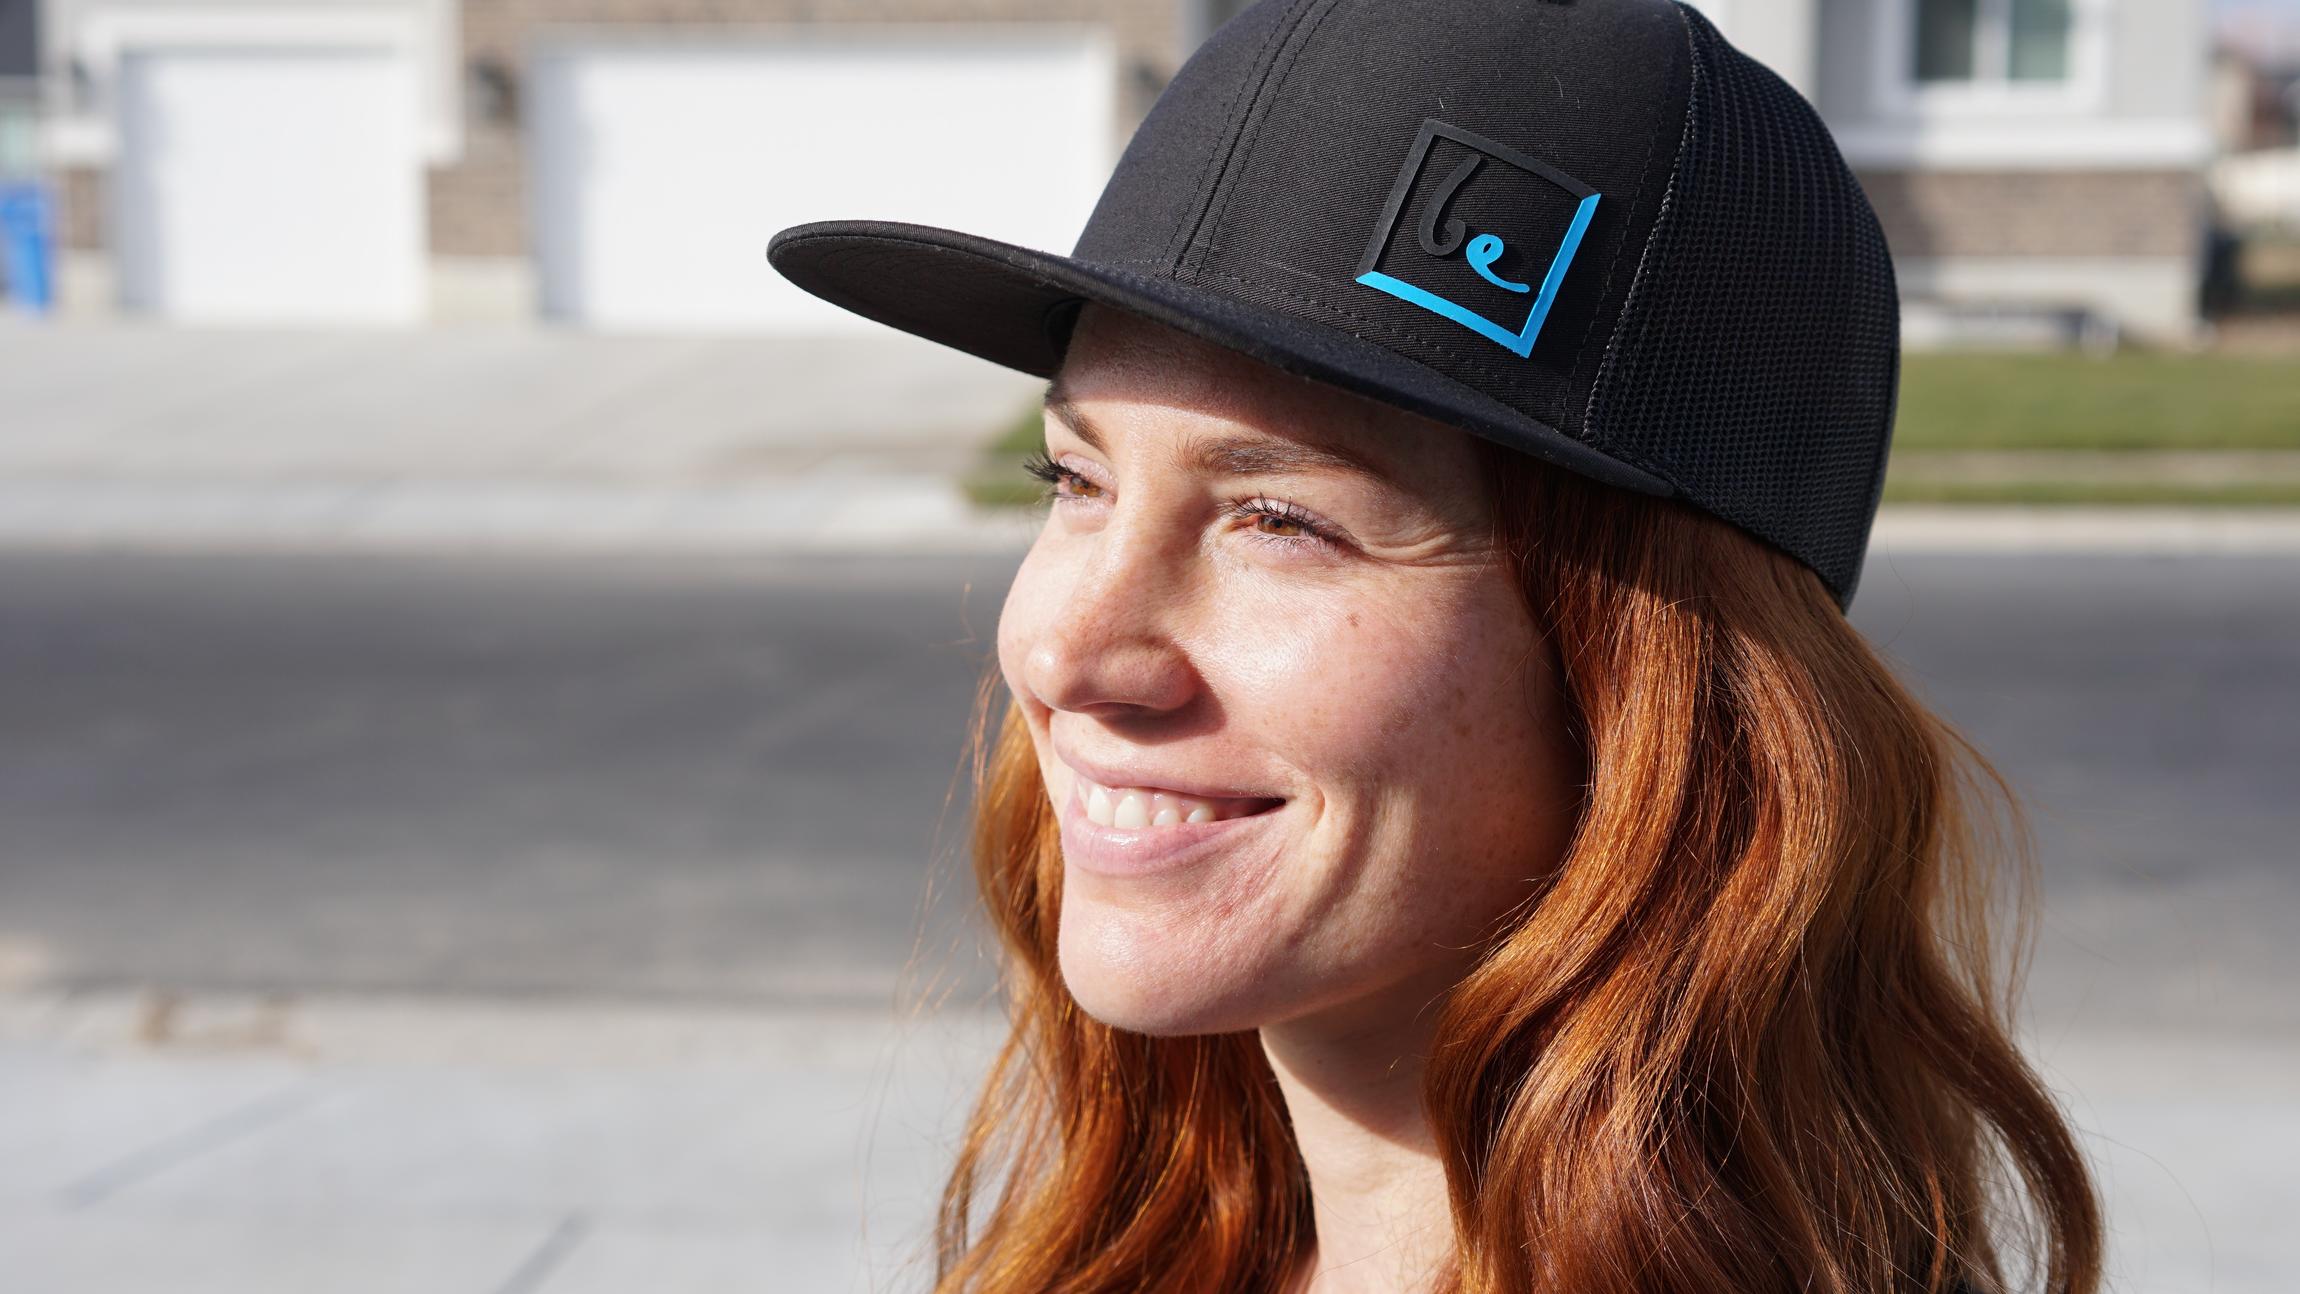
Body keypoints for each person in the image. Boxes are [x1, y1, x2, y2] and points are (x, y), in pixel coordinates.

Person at [768, 2, 2104, 1290]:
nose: (1065, 653)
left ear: (1657, 681)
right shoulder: (1136, 1251)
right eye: (1075, 479)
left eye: (1281, 521)